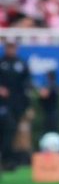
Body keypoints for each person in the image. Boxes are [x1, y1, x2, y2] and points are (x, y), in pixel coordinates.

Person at [0, 40, 33, 171]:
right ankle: (7, 159)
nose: (11, 50)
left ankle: (10, 160)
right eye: (9, 47)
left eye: (13, 47)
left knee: (14, 132)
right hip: (3, 104)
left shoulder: (22, 63)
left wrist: (28, 105)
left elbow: (27, 85)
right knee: (8, 129)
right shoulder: (1, 63)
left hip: (17, 104)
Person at [38, 70, 59, 134]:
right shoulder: (55, 85)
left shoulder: (51, 86)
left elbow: (43, 95)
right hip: (51, 113)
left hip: (51, 114)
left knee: (50, 132)